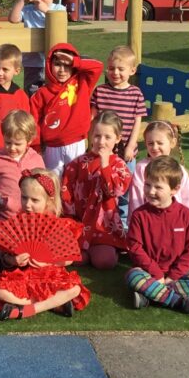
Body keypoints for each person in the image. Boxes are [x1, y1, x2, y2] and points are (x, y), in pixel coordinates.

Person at [0, 169, 90, 319]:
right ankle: (53, 304)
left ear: (49, 200)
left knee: (74, 289)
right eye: (24, 198)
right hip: (22, 275)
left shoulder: (58, 226)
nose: (28, 204)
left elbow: (69, 259)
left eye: (35, 200)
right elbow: (5, 257)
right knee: (1, 292)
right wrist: (14, 260)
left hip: (50, 275)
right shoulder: (16, 224)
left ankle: (26, 309)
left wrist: (48, 262)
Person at [126, 156, 189, 317]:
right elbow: (135, 248)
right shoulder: (139, 215)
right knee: (133, 276)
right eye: (147, 185)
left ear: (175, 189)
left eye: (158, 187)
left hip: (177, 276)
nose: (151, 191)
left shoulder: (186, 215)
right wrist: (156, 274)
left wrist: (173, 276)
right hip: (148, 273)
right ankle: (179, 302)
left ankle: (150, 297)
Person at [61, 111, 132, 270]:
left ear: (117, 138)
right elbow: (66, 190)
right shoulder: (78, 163)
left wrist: (105, 165)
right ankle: (86, 250)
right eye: (97, 136)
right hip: (80, 224)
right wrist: (70, 218)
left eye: (107, 137)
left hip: (104, 227)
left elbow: (114, 191)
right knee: (75, 259)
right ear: (91, 135)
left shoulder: (119, 165)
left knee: (104, 262)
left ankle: (112, 249)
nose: (101, 141)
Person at [90, 45, 148, 227]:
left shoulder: (135, 93)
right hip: (103, 150)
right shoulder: (100, 91)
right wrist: (93, 143)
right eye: (111, 68)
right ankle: (102, 221)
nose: (115, 73)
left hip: (125, 153)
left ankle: (123, 223)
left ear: (132, 70)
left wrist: (131, 146)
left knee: (124, 190)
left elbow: (137, 122)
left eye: (120, 69)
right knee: (101, 185)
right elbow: (92, 119)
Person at [29, 42, 104, 179]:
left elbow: (98, 66)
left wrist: (74, 61)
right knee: (52, 182)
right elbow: (34, 122)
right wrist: (36, 147)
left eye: (67, 65)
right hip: (52, 147)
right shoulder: (41, 93)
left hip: (76, 143)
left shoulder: (82, 82)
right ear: (49, 65)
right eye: (57, 64)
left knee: (77, 181)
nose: (62, 70)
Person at [8, 0, 66, 94]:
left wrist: (44, 9)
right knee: (32, 92)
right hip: (32, 63)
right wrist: (23, 0)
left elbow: (58, 20)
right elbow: (13, 19)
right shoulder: (28, 10)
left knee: (53, 92)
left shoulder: (58, 9)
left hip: (53, 62)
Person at [0, 110, 45, 222]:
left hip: (31, 218)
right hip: (5, 217)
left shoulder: (36, 159)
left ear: (29, 141)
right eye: (8, 142)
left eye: (17, 144)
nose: (12, 148)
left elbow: (44, 186)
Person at [128, 121, 189, 224]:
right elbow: (136, 198)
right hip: (149, 222)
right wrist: (137, 222)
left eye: (160, 143)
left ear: (172, 142)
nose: (155, 147)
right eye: (150, 143)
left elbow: (187, 200)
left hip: (175, 222)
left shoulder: (179, 169)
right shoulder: (141, 168)